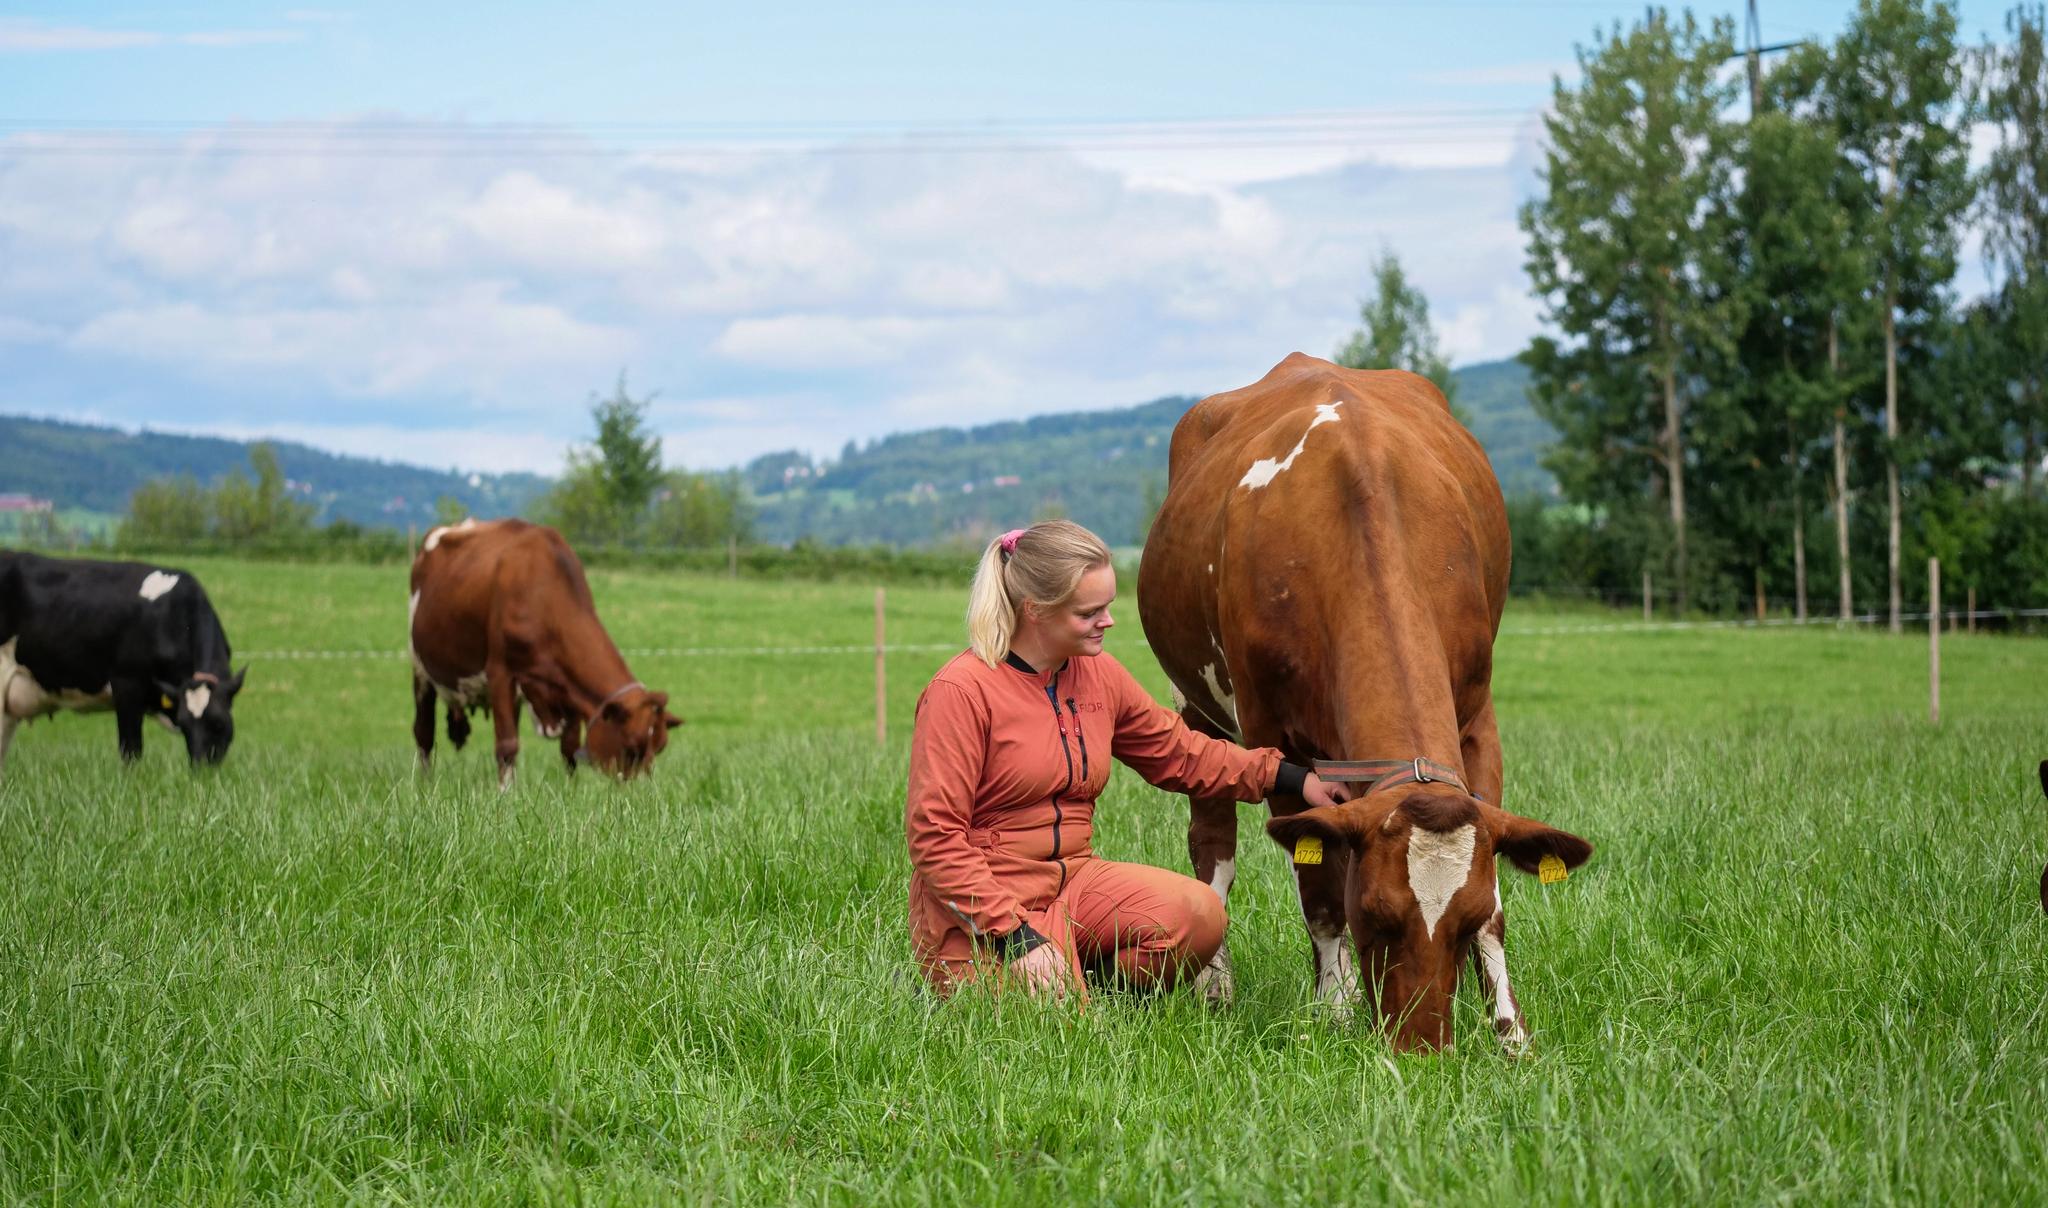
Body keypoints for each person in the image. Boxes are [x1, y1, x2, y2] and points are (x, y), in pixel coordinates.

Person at [905, 520, 1347, 998]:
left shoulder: (1099, 676)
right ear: (1035, 610)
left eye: (1108, 606)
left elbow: (1181, 753)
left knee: (1200, 915)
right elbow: (936, 838)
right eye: (1089, 612)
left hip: (1075, 882)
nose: (1108, 621)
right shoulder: (961, 692)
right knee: (1045, 1034)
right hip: (986, 902)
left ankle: (1091, 984)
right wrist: (1015, 938)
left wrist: (1291, 778)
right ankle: (988, 978)